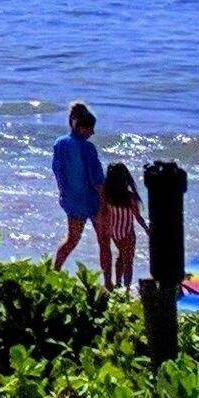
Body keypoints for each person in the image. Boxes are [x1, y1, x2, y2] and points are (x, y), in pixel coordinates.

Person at [50, 103, 105, 268]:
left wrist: (62, 194)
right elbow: (97, 180)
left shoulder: (59, 143)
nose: (93, 132)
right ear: (82, 128)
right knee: (104, 242)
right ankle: (110, 283)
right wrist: (104, 205)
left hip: (72, 201)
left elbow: (57, 171)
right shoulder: (87, 148)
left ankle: (54, 270)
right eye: (90, 129)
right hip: (92, 201)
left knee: (71, 240)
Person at [96, 160, 143, 290]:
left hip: (114, 231)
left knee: (121, 256)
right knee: (128, 261)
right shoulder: (130, 197)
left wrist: (103, 229)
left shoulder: (107, 195)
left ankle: (117, 283)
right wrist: (147, 229)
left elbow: (103, 212)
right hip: (127, 231)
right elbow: (137, 217)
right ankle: (126, 288)